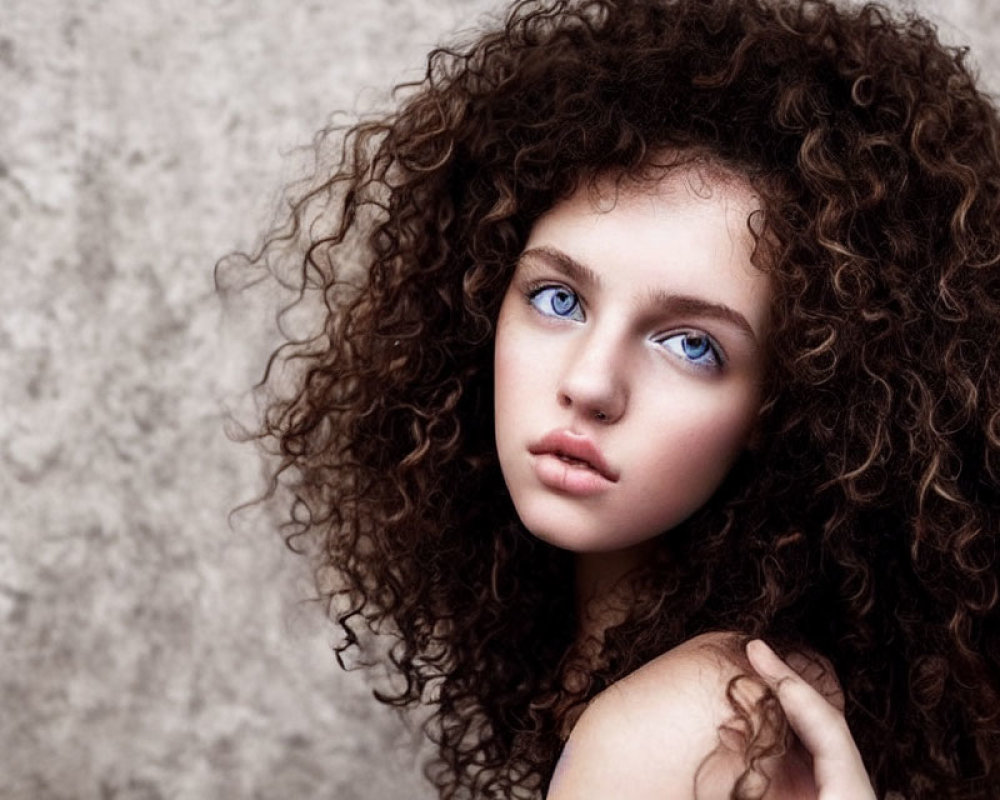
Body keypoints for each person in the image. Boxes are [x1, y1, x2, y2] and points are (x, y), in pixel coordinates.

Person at [228, 0, 1000, 796]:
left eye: (693, 345)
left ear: (788, 407)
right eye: (558, 299)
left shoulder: (696, 722)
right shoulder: (694, 683)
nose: (590, 383)